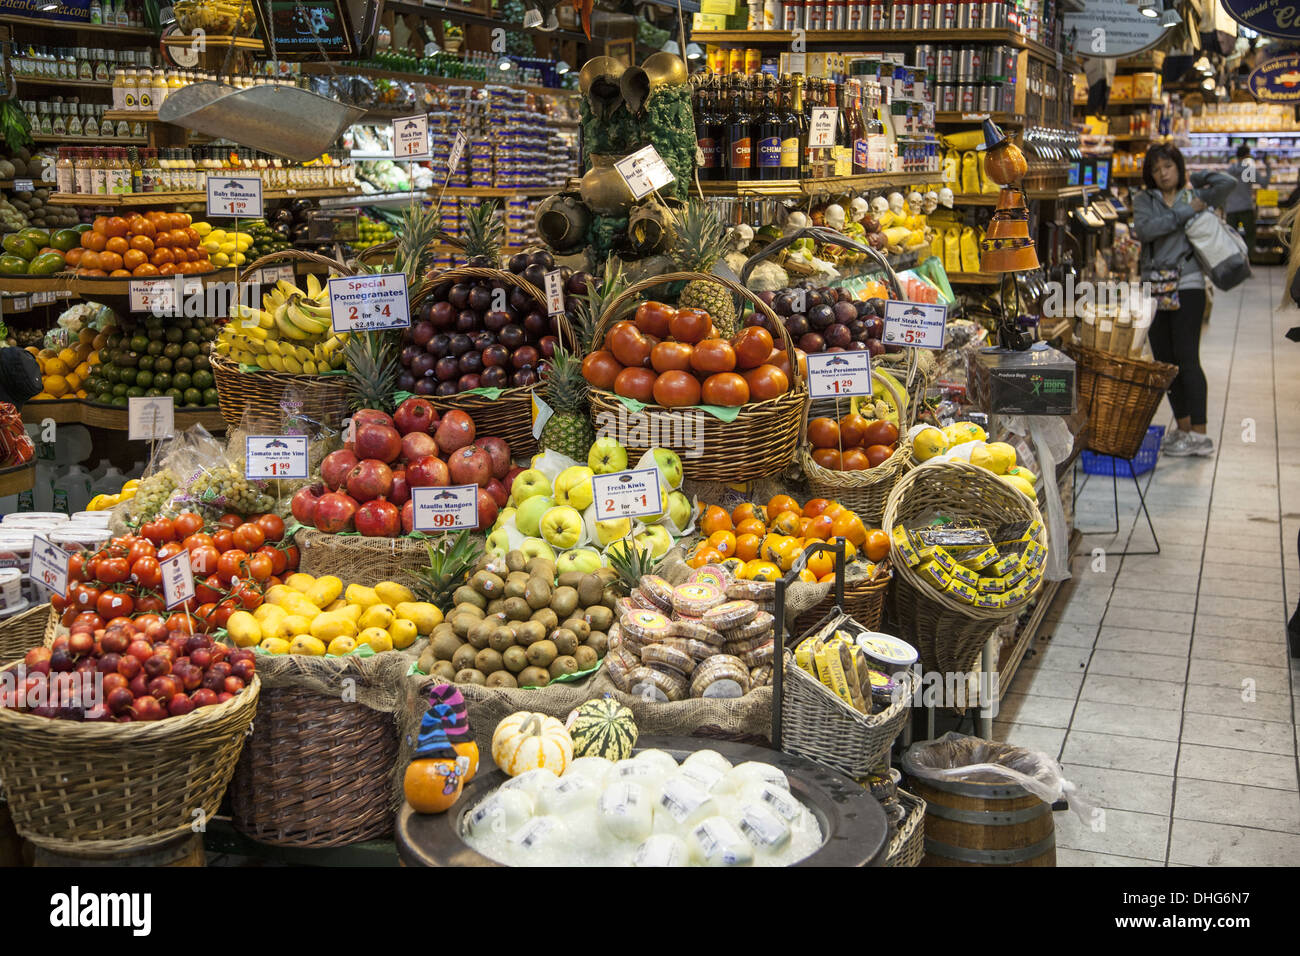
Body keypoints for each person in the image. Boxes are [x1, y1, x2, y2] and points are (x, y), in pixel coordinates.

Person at [1131, 143, 1234, 457]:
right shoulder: (1145, 199)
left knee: (1188, 358)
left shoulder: (1193, 193)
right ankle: (1184, 428)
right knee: (1165, 362)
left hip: (1188, 285)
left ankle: (1200, 434)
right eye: (1156, 169)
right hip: (1154, 288)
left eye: (1169, 167)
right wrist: (1187, 211)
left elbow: (1228, 183)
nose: (1163, 174)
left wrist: (1199, 175)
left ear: (1178, 167)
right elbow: (1147, 230)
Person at [1226, 145, 1264, 252]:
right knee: (1249, 236)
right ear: (1247, 155)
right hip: (1246, 207)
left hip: (1231, 208)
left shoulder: (1230, 170)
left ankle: (1232, 257)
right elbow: (1263, 183)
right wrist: (1268, 168)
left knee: (1231, 236)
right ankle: (1249, 258)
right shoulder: (1249, 170)